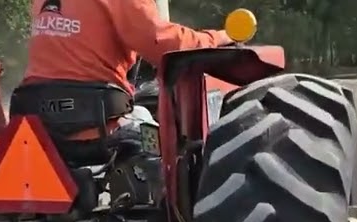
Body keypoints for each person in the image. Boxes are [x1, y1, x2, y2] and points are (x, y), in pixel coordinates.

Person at [19, 0, 230, 137]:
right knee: (159, 138)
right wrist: (218, 38)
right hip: (95, 122)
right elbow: (162, 43)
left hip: (36, 120)